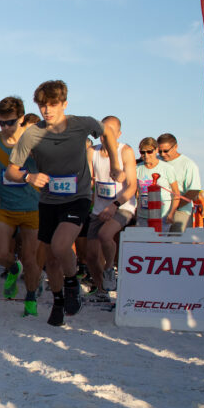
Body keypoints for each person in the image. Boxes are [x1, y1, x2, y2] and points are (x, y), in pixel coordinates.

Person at [6, 80, 123, 327]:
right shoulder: (32, 134)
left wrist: (114, 163)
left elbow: (107, 133)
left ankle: (73, 285)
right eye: (42, 106)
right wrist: (29, 176)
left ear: (64, 104)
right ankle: (59, 302)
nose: (47, 110)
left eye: (53, 105)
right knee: (51, 259)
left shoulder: (82, 124)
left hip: (77, 198)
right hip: (49, 201)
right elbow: (11, 172)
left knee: (61, 247)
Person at [0, 96, 42, 317]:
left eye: (10, 122)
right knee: (0, 255)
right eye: (1, 123)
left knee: (31, 258)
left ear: (22, 118)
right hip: (4, 207)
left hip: (33, 207)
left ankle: (31, 298)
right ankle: (13, 269)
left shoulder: (34, 141)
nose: (6, 127)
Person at [84, 116, 137, 295]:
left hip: (122, 205)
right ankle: (101, 290)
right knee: (90, 255)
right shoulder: (92, 152)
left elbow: (132, 186)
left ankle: (109, 268)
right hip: (99, 207)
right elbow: (88, 181)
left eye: (111, 133)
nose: (105, 137)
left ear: (119, 134)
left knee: (105, 235)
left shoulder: (125, 151)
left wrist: (114, 205)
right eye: (103, 133)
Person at [156, 133, 204, 233]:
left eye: (166, 151)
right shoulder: (156, 160)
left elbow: (193, 191)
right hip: (157, 211)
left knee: (176, 244)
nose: (162, 154)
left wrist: (174, 207)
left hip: (180, 211)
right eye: (159, 151)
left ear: (175, 147)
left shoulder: (188, 164)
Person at [135, 137, 180, 230]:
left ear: (156, 150)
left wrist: (171, 213)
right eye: (142, 152)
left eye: (149, 152)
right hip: (143, 216)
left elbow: (176, 193)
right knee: (141, 243)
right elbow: (135, 193)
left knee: (159, 243)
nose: (146, 155)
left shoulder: (167, 168)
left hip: (162, 216)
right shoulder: (137, 169)